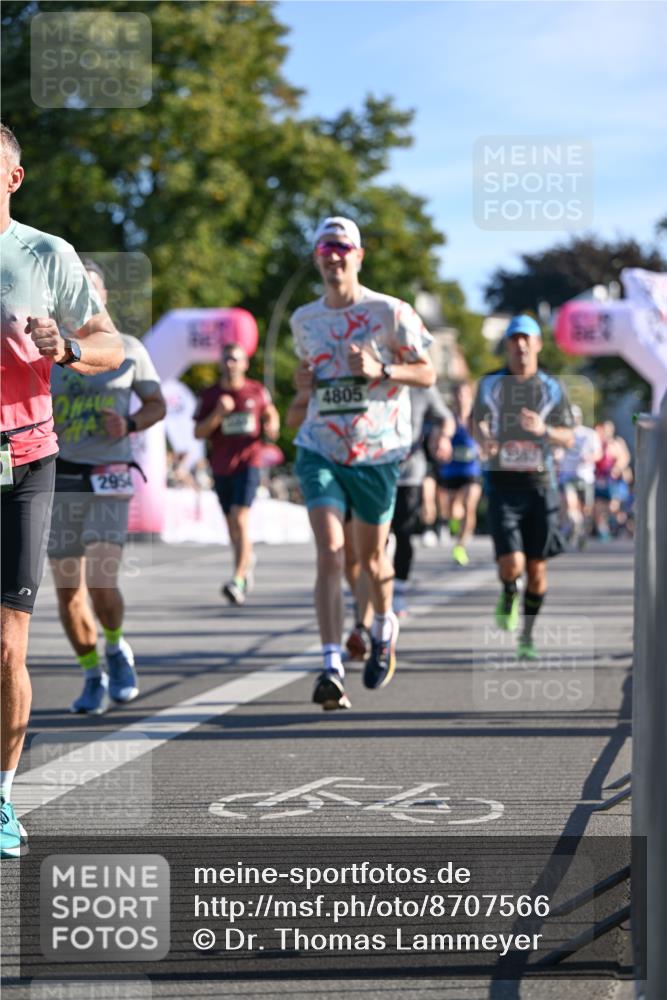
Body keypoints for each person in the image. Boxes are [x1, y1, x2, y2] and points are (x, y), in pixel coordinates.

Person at [0, 124, 123, 858]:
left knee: (6, 645)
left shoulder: (46, 254)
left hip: (24, 458)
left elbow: (110, 341)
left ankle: (1, 797)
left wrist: (69, 347)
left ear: (13, 178)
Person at [288, 215, 435, 710]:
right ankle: (331, 665)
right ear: (317, 258)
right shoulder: (303, 320)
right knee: (331, 552)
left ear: (358, 256)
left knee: (371, 561)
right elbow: (309, 384)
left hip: (377, 452)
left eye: (342, 247)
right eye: (325, 248)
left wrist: (382, 368)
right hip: (320, 446)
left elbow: (428, 372)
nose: (333, 256)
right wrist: (302, 388)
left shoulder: (390, 312)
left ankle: (384, 625)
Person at [48, 260, 166, 715]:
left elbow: (156, 404)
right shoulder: (49, 350)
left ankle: (115, 647)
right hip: (59, 475)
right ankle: (90, 671)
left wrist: (130, 423)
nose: (82, 298)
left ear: (104, 298)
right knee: (68, 593)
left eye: (90, 290)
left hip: (110, 475)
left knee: (101, 580)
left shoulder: (129, 348)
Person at [473, 315, 574, 660]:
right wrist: (484, 437)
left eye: (526, 339)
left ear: (537, 344)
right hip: (503, 484)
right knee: (512, 565)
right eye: (514, 339)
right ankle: (508, 591)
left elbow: (569, 437)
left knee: (537, 569)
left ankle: (527, 636)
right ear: (507, 345)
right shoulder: (490, 384)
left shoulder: (552, 388)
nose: (520, 346)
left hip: (540, 485)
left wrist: (544, 430)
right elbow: (477, 422)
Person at [194, 343, 280, 605]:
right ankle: (245, 561)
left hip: (249, 463)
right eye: (226, 359)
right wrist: (219, 413)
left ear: (245, 364)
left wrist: (272, 424)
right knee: (232, 524)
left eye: (235, 359)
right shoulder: (211, 395)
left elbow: (270, 411)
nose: (230, 363)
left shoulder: (256, 390)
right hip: (221, 466)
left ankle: (238, 579)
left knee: (240, 517)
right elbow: (198, 433)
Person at [392, 386, 454, 615]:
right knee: (373, 537)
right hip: (371, 468)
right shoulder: (371, 377)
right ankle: (372, 591)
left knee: (403, 531)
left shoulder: (422, 388)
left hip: (408, 471)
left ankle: (398, 590)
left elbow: (446, 418)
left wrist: (443, 437)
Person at [437, 380, 483, 566]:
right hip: (451, 469)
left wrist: (485, 447)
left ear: (470, 396)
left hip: (472, 470)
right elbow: (444, 433)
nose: (460, 398)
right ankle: (454, 524)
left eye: (463, 394)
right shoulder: (450, 419)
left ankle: (460, 546)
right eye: (457, 394)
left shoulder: (477, 418)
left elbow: (487, 438)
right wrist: (442, 441)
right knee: (453, 510)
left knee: (469, 504)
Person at [557, 403, 601, 549]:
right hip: (568, 476)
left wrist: (589, 457)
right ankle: (575, 524)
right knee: (571, 506)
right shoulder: (562, 434)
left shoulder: (590, 434)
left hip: (585, 476)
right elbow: (557, 452)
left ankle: (581, 532)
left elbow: (598, 454)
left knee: (586, 510)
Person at [593, 420, 631, 540]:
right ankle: (603, 531)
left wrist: (617, 468)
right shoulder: (598, 443)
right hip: (600, 480)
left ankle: (622, 526)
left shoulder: (617, 442)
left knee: (613, 507)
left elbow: (624, 458)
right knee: (598, 507)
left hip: (614, 480)